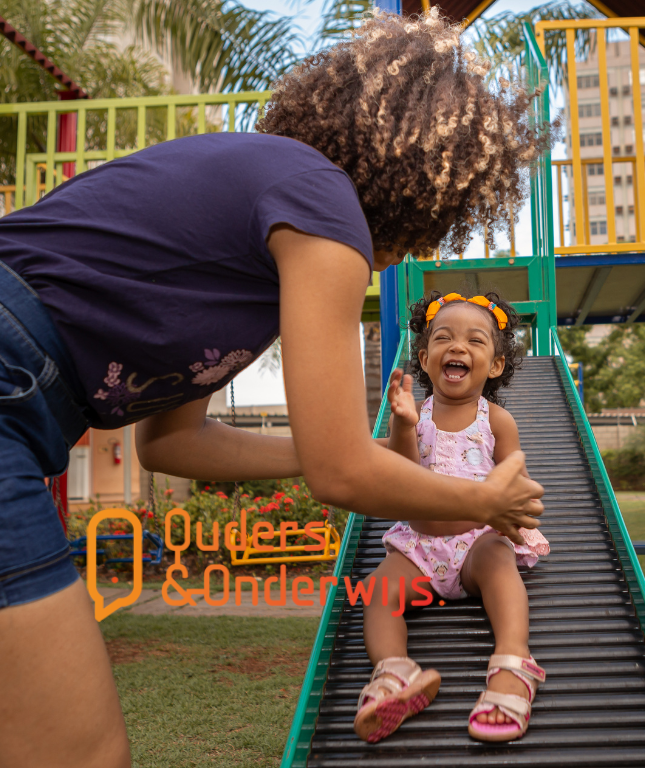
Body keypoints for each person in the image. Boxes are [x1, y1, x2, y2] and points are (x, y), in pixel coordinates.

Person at [0, 10, 545, 768]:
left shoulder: (253, 239)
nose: (417, 247)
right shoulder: (323, 204)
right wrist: (483, 503)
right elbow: (342, 476)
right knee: (79, 753)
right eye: (433, 224)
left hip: (25, 404)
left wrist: (339, 448)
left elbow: (175, 443)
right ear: (421, 184)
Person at [354, 291, 549, 744]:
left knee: (501, 566)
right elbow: (402, 476)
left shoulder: (496, 421)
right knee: (379, 590)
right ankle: (395, 671)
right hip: (420, 547)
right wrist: (402, 425)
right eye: (444, 338)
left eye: (475, 341)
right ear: (425, 358)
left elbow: (513, 479)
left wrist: (514, 519)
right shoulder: (414, 415)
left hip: (476, 540)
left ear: (495, 365)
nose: (458, 347)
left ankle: (514, 664)